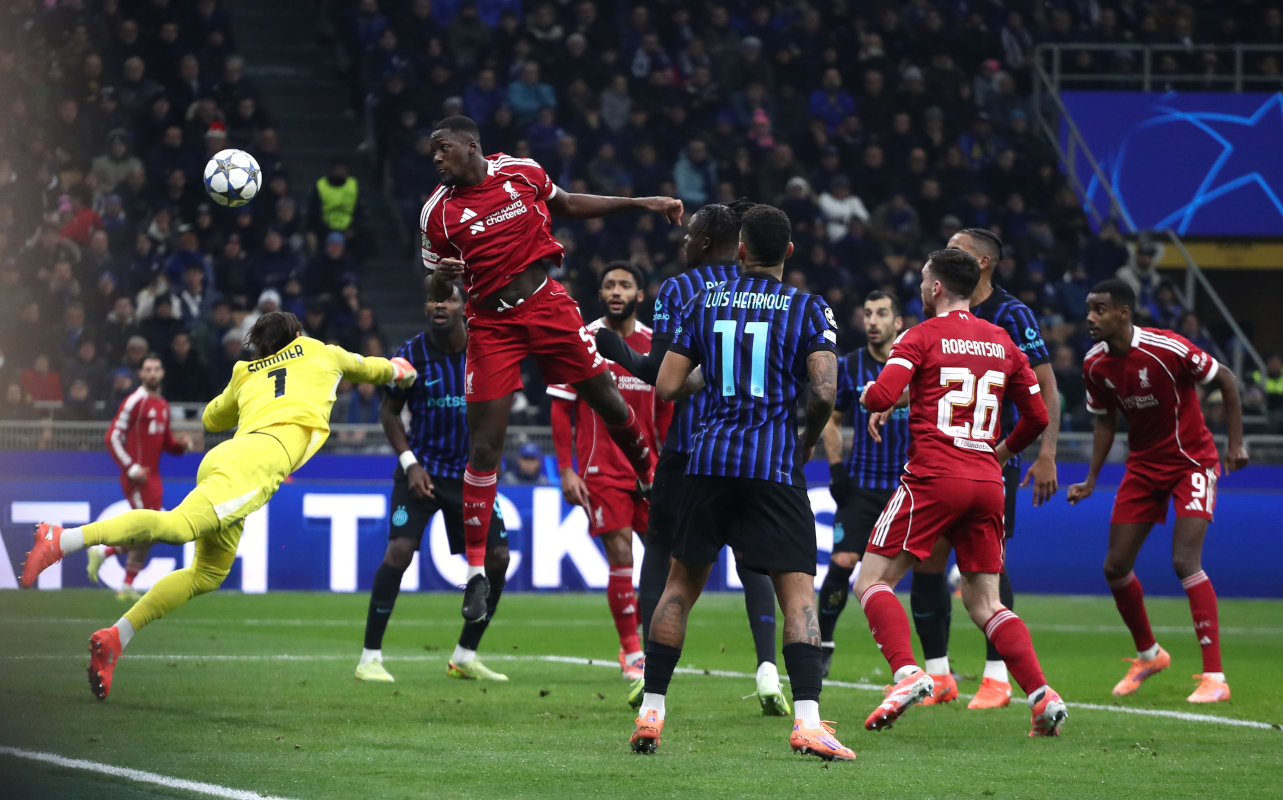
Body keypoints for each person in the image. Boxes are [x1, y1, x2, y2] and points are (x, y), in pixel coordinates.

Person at [22, 311, 418, 699]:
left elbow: (212, 418)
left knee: (207, 573)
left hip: (228, 454)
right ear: (297, 334)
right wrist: (406, 370)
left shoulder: (245, 372)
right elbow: (376, 368)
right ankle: (63, 539)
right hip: (259, 462)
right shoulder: (322, 351)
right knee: (177, 527)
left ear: (260, 346)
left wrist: (248, 386)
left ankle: (114, 638)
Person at [421, 115, 680, 623]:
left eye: (442, 147)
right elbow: (435, 291)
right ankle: (475, 571)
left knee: (608, 398)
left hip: (548, 306)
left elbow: (568, 204)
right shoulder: (437, 214)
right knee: (483, 446)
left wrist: (638, 203)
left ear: (470, 145)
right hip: (491, 326)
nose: (435, 157)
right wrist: (442, 280)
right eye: (432, 151)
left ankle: (649, 476)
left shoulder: (520, 173)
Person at [634, 205, 853, 761]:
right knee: (797, 593)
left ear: (739, 250)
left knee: (679, 587)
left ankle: (651, 711)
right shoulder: (808, 308)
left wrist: (720, 373)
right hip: (773, 466)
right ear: (789, 252)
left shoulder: (704, 300)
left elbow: (666, 386)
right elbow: (824, 392)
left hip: (706, 464)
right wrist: (808, 438)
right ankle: (806, 721)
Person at [853, 248, 1064, 737]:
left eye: (924, 281)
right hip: (987, 480)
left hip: (934, 475)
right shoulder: (1002, 340)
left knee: (873, 581)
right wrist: (1001, 453)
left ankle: (907, 673)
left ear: (934, 288)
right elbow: (1037, 416)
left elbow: (883, 396)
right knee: (986, 602)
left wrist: (866, 394)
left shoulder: (920, 335)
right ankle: (1040, 694)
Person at [594, 200, 792, 716]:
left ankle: (646, 673)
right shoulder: (770, 293)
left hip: (692, 449)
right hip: (761, 448)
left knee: (662, 552)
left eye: (688, 238)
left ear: (704, 242)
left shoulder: (681, 290)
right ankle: (768, 669)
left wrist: (615, 348)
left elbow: (662, 377)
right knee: (756, 562)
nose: (682, 245)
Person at [1067, 279, 1248, 704]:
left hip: (1192, 462)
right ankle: (1149, 654)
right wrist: (1092, 479)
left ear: (1124, 313)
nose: (1089, 317)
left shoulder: (1168, 348)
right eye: (1089, 309)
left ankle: (1215, 677)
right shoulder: (1095, 364)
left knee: (1185, 561)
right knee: (1114, 567)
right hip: (1144, 467)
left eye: (1099, 309)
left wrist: (1235, 442)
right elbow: (1105, 421)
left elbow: (1227, 378)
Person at [357, 282, 510, 684]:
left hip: (471, 476)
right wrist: (410, 464)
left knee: (498, 558)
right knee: (399, 553)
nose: (438, 305)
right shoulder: (410, 355)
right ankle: (369, 658)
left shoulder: (485, 349)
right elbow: (390, 414)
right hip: (422, 470)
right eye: (432, 298)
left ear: (464, 306)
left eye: (448, 298)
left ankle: (465, 655)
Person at [548, 262, 672, 682]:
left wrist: (670, 467)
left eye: (625, 285)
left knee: (662, 561)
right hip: (601, 469)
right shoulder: (583, 340)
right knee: (621, 555)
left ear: (640, 294)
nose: (616, 291)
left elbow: (668, 409)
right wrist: (566, 469)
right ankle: (632, 651)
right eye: (608, 285)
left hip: (652, 473)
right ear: (600, 294)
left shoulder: (657, 344)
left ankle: (656, 647)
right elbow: (561, 408)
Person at [816, 291, 909, 679]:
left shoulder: (915, 366)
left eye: (882, 313)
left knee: (924, 572)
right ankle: (822, 644)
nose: (873, 320)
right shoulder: (849, 365)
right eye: (868, 313)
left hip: (908, 487)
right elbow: (831, 419)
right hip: (863, 486)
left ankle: (934, 662)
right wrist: (836, 470)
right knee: (842, 562)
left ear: (897, 323)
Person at [87, 354, 191, 601]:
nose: (152, 373)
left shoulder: (163, 405)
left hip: (154, 478)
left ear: (162, 373)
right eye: (148, 369)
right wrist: (131, 467)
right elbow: (111, 437)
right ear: (141, 374)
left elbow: (167, 443)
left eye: (156, 369)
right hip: (137, 478)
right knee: (150, 532)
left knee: (152, 534)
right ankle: (104, 554)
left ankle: (126, 585)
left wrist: (182, 445)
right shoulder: (135, 401)